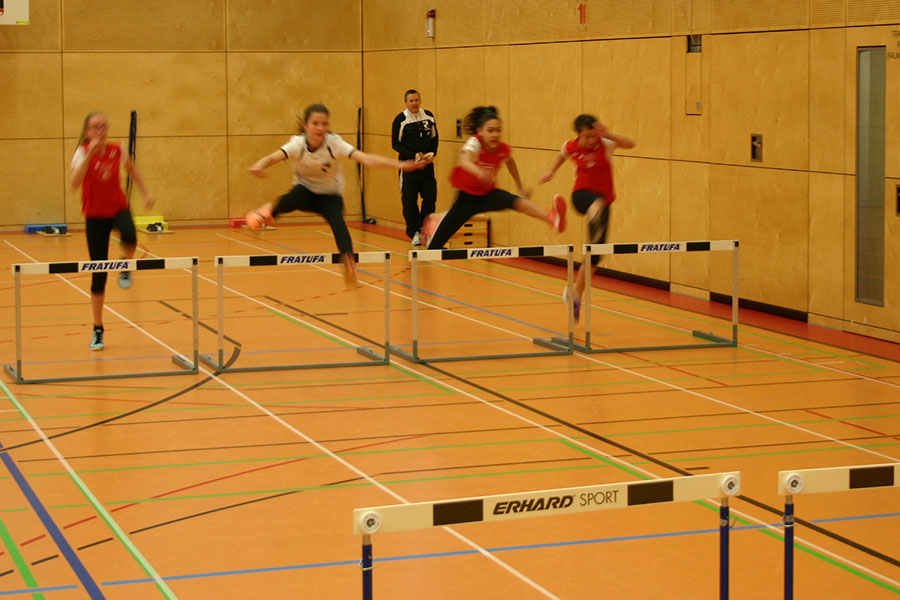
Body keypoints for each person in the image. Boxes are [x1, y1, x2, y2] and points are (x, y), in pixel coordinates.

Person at [245, 103, 427, 283]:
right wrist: (259, 165)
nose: (320, 128)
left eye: (324, 124)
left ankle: (349, 262)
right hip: (306, 192)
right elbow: (274, 157)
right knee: (295, 195)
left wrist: (401, 165)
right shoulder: (297, 144)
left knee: (338, 222)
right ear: (305, 126)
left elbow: (366, 159)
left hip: (330, 195)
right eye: (315, 123)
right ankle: (270, 211)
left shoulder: (334, 143)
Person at [424, 106, 566, 250]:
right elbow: (464, 161)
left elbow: (510, 162)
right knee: (436, 246)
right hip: (467, 198)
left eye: (498, 130)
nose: (495, 135)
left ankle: (551, 217)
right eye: (490, 131)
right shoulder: (475, 143)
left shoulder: (502, 148)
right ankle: (433, 232)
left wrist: (520, 185)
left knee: (517, 202)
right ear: (480, 131)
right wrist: (479, 172)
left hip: (488, 195)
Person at [70, 111, 154, 351]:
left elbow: (132, 170)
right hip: (95, 217)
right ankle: (98, 330)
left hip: (117, 209)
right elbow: (74, 184)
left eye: (103, 127)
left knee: (129, 235)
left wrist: (146, 193)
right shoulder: (81, 153)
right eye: (95, 127)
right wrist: (90, 154)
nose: (100, 131)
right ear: (87, 132)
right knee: (99, 275)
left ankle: (125, 266)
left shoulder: (118, 150)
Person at [539, 114, 635, 320]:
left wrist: (607, 133)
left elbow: (631, 144)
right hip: (581, 196)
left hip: (604, 201)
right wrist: (550, 172)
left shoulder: (605, 143)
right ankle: (578, 214)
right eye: (587, 137)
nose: (591, 141)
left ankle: (574, 294)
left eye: (594, 136)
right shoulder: (571, 146)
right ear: (579, 135)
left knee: (595, 255)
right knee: (596, 205)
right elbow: (561, 155)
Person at [391, 89, 438, 247]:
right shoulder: (400, 120)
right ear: (406, 102)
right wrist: (414, 155)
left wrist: (432, 153)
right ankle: (414, 232)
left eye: (416, 100)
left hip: (427, 167)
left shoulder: (429, 116)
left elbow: (434, 138)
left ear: (420, 100)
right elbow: (395, 144)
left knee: (430, 197)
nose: (414, 103)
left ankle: (427, 230)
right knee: (409, 201)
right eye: (411, 101)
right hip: (409, 167)